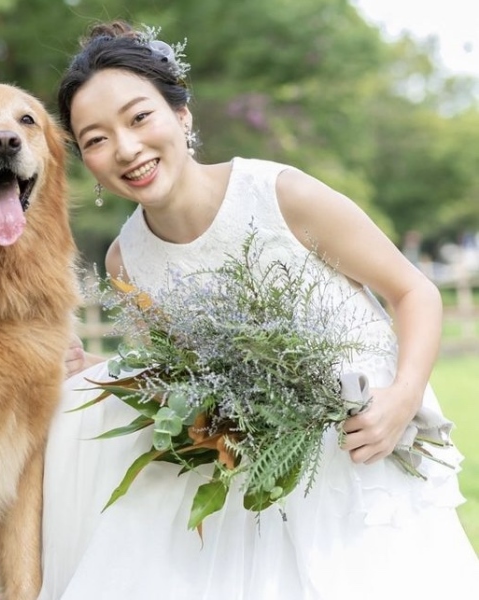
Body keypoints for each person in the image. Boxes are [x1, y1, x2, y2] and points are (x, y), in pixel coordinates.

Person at [38, 20, 479, 600]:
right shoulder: (128, 261)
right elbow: (181, 381)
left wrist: (400, 400)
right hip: (260, 486)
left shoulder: (279, 193)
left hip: (361, 450)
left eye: (140, 117)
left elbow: (413, 291)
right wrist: (95, 371)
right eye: (95, 138)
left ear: (182, 115)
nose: (125, 148)